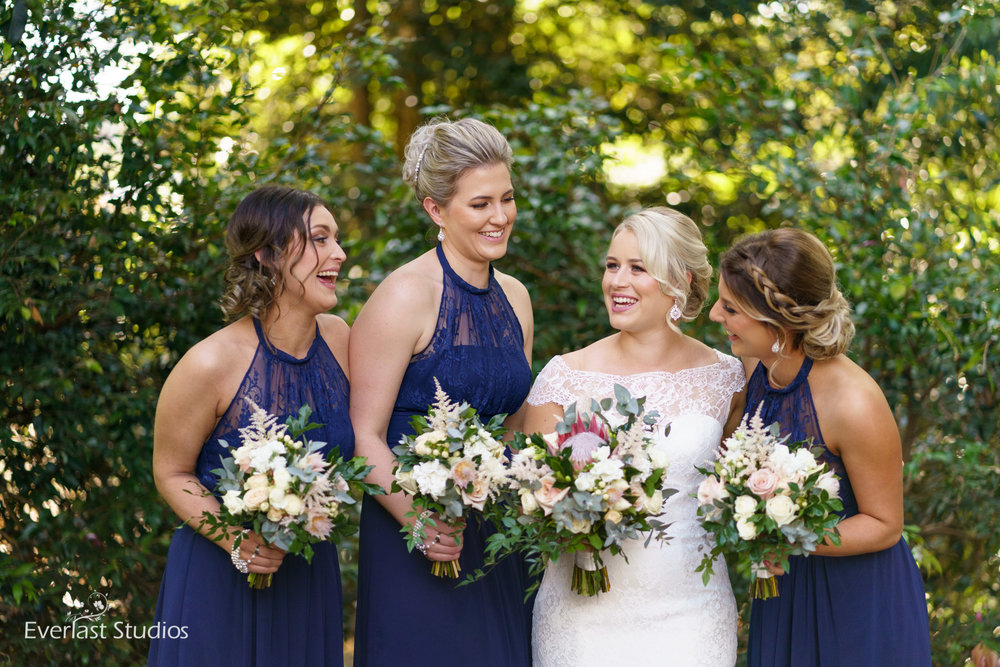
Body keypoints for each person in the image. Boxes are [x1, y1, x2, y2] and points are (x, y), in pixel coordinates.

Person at [524, 207, 744, 666]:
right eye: (611, 265)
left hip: (693, 611)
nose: (617, 281)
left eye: (637, 268)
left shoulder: (727, 378)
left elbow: (735, 491)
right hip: (583, 613)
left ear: (679, 283)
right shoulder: (564, 376)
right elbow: (531, 495)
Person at [350, 117, 535, 666]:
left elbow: (515, 425)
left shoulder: (517, 298)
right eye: (480, 204)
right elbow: (362, 436)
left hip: (497, 533)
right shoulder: (403, 297)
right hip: (413, 532)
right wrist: (419, 521)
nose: (500, 217)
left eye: (507, 198)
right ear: (436, 209)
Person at [148, 185, 353, 666]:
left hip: (307, 571)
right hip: (221, 577)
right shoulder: (208, 364)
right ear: (268, 254)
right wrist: (236, 540)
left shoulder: (342, 340)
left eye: (337, 239)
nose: (339, 254)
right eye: (320, 239)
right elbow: (171, 472)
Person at [709, 227, 932, 666]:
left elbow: (885, 524)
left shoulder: (854, 402)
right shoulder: (757, 364)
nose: (716, 314)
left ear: (777, 320)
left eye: (731, 308)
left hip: (854, 602)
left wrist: (784, 537)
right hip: (784, 587)